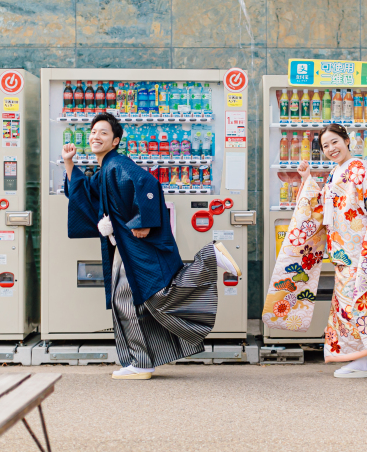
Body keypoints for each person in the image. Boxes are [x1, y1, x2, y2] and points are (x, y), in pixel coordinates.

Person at [63, 112, 241, 380]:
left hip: (134, 243)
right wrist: (68, 162)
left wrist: (144, 219)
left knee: (148, 295)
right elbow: (83, 193)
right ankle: (141, 361)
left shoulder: (117, 164)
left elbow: (148, 184)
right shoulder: (105, 169)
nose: (95, 136)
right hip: (124, 245)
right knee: (142, 298)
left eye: (103, 132)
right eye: (93, 132)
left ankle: (209, 255)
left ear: (115, 141)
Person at [262, 123, 367, 378]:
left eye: (335, 142)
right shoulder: (334, 175)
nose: (331, 149)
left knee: (366, 303)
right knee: (352, 305)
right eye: (325, 146)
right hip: (342, 252)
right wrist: (307, 180)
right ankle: (360, 359)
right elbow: (321, 207)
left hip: (360, 252)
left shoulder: (361, 172)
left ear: (347, 140)